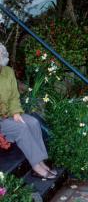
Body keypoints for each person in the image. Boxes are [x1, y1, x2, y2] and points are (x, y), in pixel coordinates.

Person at [0, 43, 57, 179]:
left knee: (33, 122)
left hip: (8, 114)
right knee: (21, 129)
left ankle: (41, 161)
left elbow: (14, 96)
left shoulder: (8, 72)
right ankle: (36, 166)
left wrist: (15, 112)